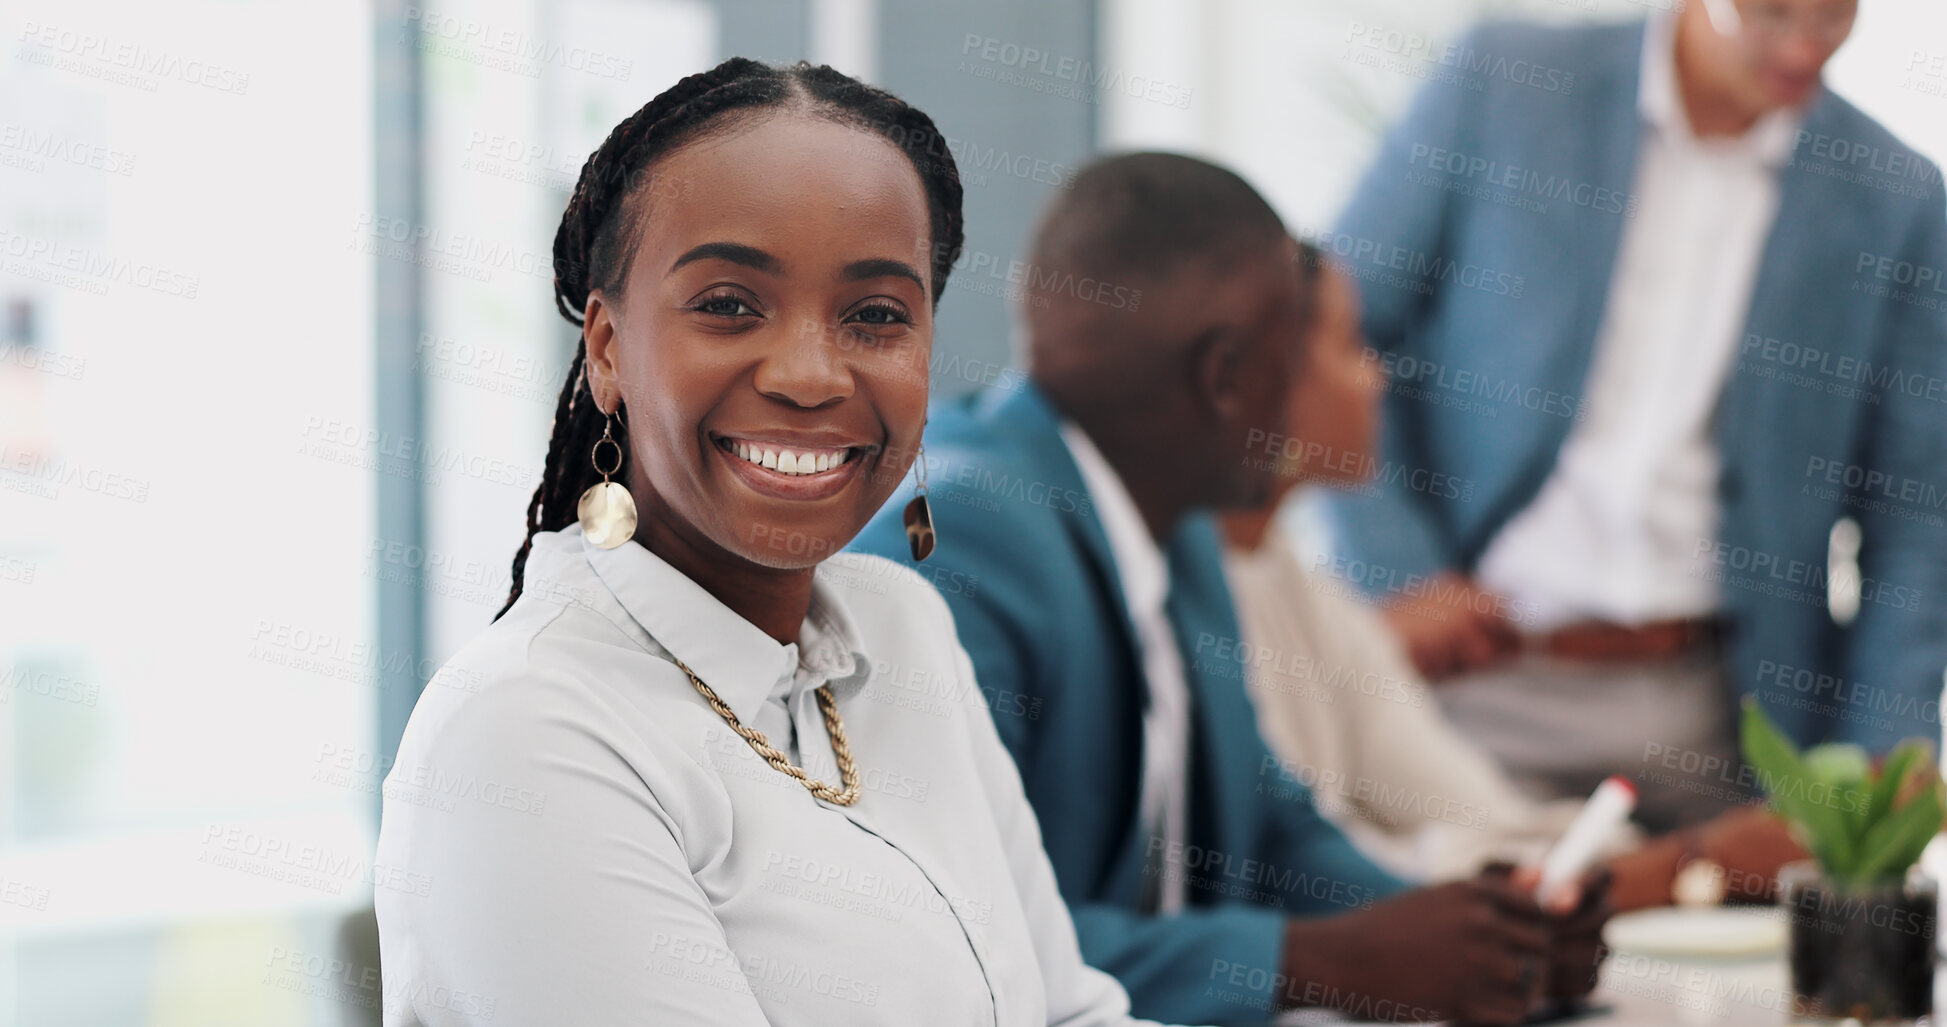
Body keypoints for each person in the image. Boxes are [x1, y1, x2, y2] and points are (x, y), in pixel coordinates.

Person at [374, 58, 1186, 1027]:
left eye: (877, 315)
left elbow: (1071, 1013)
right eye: (728, 303)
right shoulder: (522, 736)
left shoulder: (907, 623)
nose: (810, 374)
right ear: (606, 348)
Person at [852, 152, 1608, 1027]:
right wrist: (1317, 963)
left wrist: (1471, 933)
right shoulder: (961, 542)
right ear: (1225, 376)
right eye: (1295, 354)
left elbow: (1273, 826)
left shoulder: (1178, 536)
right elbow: (958, 939)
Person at [1323, 0, 1947, 828]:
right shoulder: (1508, 83)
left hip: (1718, 713)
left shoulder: (1894, 196)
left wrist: (1888, 751)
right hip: (1476, 688)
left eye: (1834, 15)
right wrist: (1399, 572)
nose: (1802, 46)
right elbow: (1332, 334)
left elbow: (1912, 508)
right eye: (1767, 13)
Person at [1220, 244, 1807, 910]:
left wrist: (1671, 861)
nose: (1375, 376)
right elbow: (1355, 890)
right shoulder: (1211, 597)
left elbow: (1481, 817)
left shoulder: (1296, 584)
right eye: (1351, 345)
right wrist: (1700, 866)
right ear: (1265, 376)